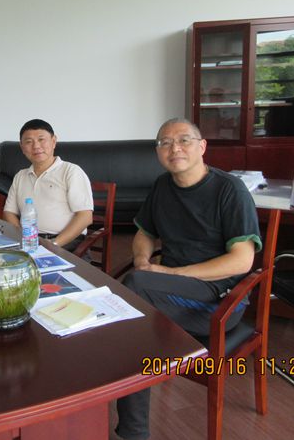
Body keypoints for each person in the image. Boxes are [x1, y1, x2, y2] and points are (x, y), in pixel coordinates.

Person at [115, 117, 262, 440]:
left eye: (183, 140)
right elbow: (144, 233)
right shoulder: (162, 187)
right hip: (169, 294)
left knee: (131, 303)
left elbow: (242, 260)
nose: (175, 149)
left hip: (220, 301)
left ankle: (131, 431)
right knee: (129, 317)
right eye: (165, 143)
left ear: (202, 146)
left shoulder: (229, 190)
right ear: (157, 151)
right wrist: (142, 260)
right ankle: (126, 427)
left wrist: (169, 273)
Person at [3, 119, 93, 251]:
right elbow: (9, 212)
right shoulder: (20, 176)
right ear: (22, 147)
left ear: (53, 141)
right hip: (30, 241)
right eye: (29, 142)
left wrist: (53, 244)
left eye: (41, 139)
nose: (36, 146)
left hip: (65, 241)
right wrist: (23, 238)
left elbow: (85, 217)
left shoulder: (71, 171)